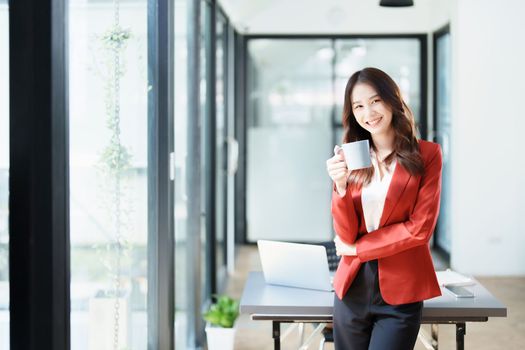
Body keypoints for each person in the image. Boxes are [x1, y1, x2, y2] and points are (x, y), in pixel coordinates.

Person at [325, 67, 442, 350]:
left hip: (401, 290)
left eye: (375, 101)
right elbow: (346, 235)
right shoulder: (352, 156)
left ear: (392, 100)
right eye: (359, 106)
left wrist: (359, 250)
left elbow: (420, 230)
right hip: (352, 289)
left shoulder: (427, 154)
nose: (369, 112)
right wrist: (340, 187)